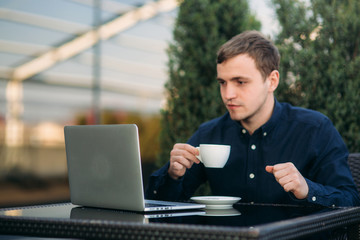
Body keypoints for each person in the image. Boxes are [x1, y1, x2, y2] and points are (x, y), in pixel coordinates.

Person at [145, 30, 360, 207]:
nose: (228, 94)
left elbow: (350, 200)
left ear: (272, 81)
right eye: (222, 82)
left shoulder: (315, 129)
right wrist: (173, 175)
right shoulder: (210, 134)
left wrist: (307, 190)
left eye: (240, 82)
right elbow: (160, 207)